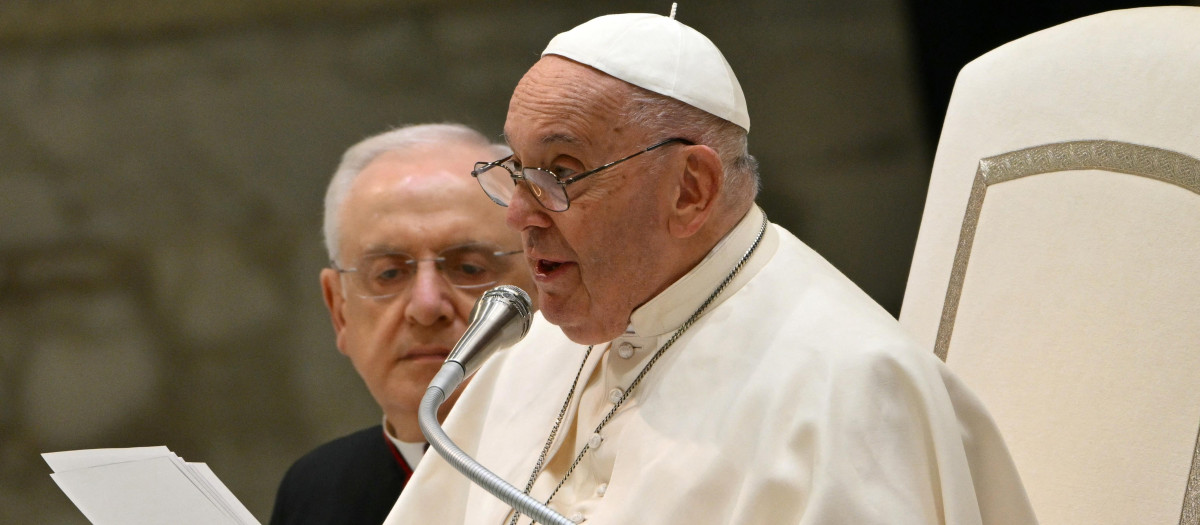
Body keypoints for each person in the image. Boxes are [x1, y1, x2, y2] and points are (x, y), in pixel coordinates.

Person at [386, 13, 1038, 525]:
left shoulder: (850, 388)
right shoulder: (533, 353)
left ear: (690, 189)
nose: (519, 216)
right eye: (516, 172)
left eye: (561, 173)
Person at [269, 123, 536, 525]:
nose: (427, 307)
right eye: (389, 274)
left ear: (546, 282)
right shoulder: (317, 490)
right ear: (338, 310)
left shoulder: (596, 461)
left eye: (468, 267)